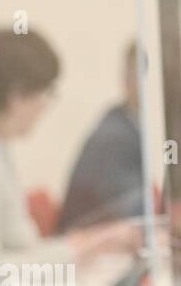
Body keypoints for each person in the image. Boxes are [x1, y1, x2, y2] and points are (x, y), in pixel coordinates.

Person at [0, 29, 142, 272]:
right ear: (17, 95)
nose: (45, 104)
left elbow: (23, 253)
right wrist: (84, 248)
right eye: (46, 92)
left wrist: (88, 244)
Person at [56, 41, 145, 232]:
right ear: (127, 81)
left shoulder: (130, 125)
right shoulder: (114, 137)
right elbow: (138, 212)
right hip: (84, 253)